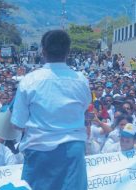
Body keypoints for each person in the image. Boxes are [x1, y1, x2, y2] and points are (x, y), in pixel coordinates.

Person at [11, 30, 91, 190]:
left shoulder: (29, 80)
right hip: (73, 151)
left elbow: (18, 124)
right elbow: (84, 110)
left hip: (39, 151)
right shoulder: (81, 80)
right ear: (68, 52)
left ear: (43, 51)